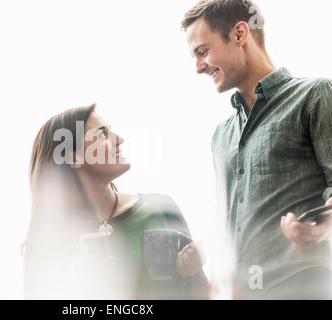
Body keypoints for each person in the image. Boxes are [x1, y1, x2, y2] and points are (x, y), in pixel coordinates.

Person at [181, 0, 332, 299]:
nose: (198, 67)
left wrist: (322, 227)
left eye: (203, 52)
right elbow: (235, 222)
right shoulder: (220, 136)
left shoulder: (314, 97)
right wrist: (206, 251)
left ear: (239, 34)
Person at [23, 104, 209, 300]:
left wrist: (196, 270)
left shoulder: (161, 208)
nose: (119, 139)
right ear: (73, 157)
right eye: (102, 134)